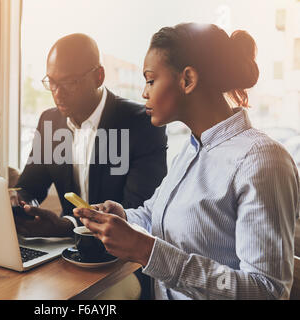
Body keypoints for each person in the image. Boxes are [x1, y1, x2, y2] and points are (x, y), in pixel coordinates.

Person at [75, 23, 300, 300]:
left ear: (188, 80)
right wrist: (121, 217)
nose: (144, 93)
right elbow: (153, 216)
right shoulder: (192, 149)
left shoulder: (262, 161)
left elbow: (267, 292)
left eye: (150, 80)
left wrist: (147, 251)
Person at [14, 33, 167, 299]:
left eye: (69, 82)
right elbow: (29, 186)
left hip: (121, 264)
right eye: (51, 82)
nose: (57, 93)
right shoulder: (50, 121)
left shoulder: (140, 124)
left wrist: (64, 225)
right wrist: (24, 208)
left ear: (99, 76)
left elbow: (136, 216)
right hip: (66, 255)